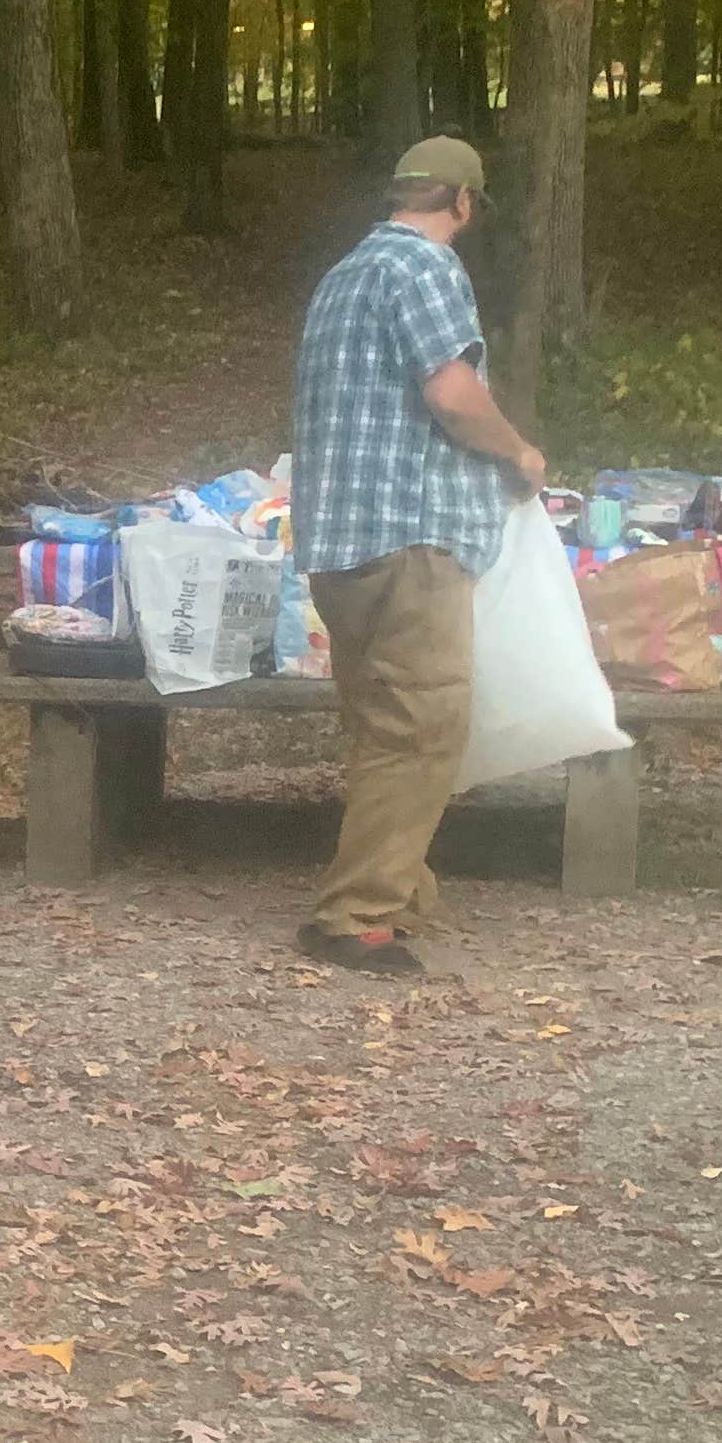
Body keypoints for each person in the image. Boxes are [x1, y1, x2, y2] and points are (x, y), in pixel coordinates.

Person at [285, 136, 550, 978]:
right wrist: (518, 453)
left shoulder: (343, 276)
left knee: (380, 725)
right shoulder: (427, 270)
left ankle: (400, 886)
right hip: (411, 536)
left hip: (339, 542)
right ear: (463, 204)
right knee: (423, 724)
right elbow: (451, 393)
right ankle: (353, 917)